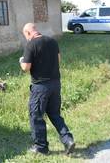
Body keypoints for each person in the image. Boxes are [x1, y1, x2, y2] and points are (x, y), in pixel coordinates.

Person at [19, 23, 75, 155]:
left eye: (25, 36)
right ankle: (68, 140)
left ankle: (41, 147)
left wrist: (21, 61)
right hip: (55, 84)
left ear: (28, 33)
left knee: (36, 116)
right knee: (55, 114)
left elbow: (26, 68)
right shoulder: (52, 41)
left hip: (40, 88)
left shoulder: (31, 44)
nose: (26, 38)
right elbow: (58, 59)